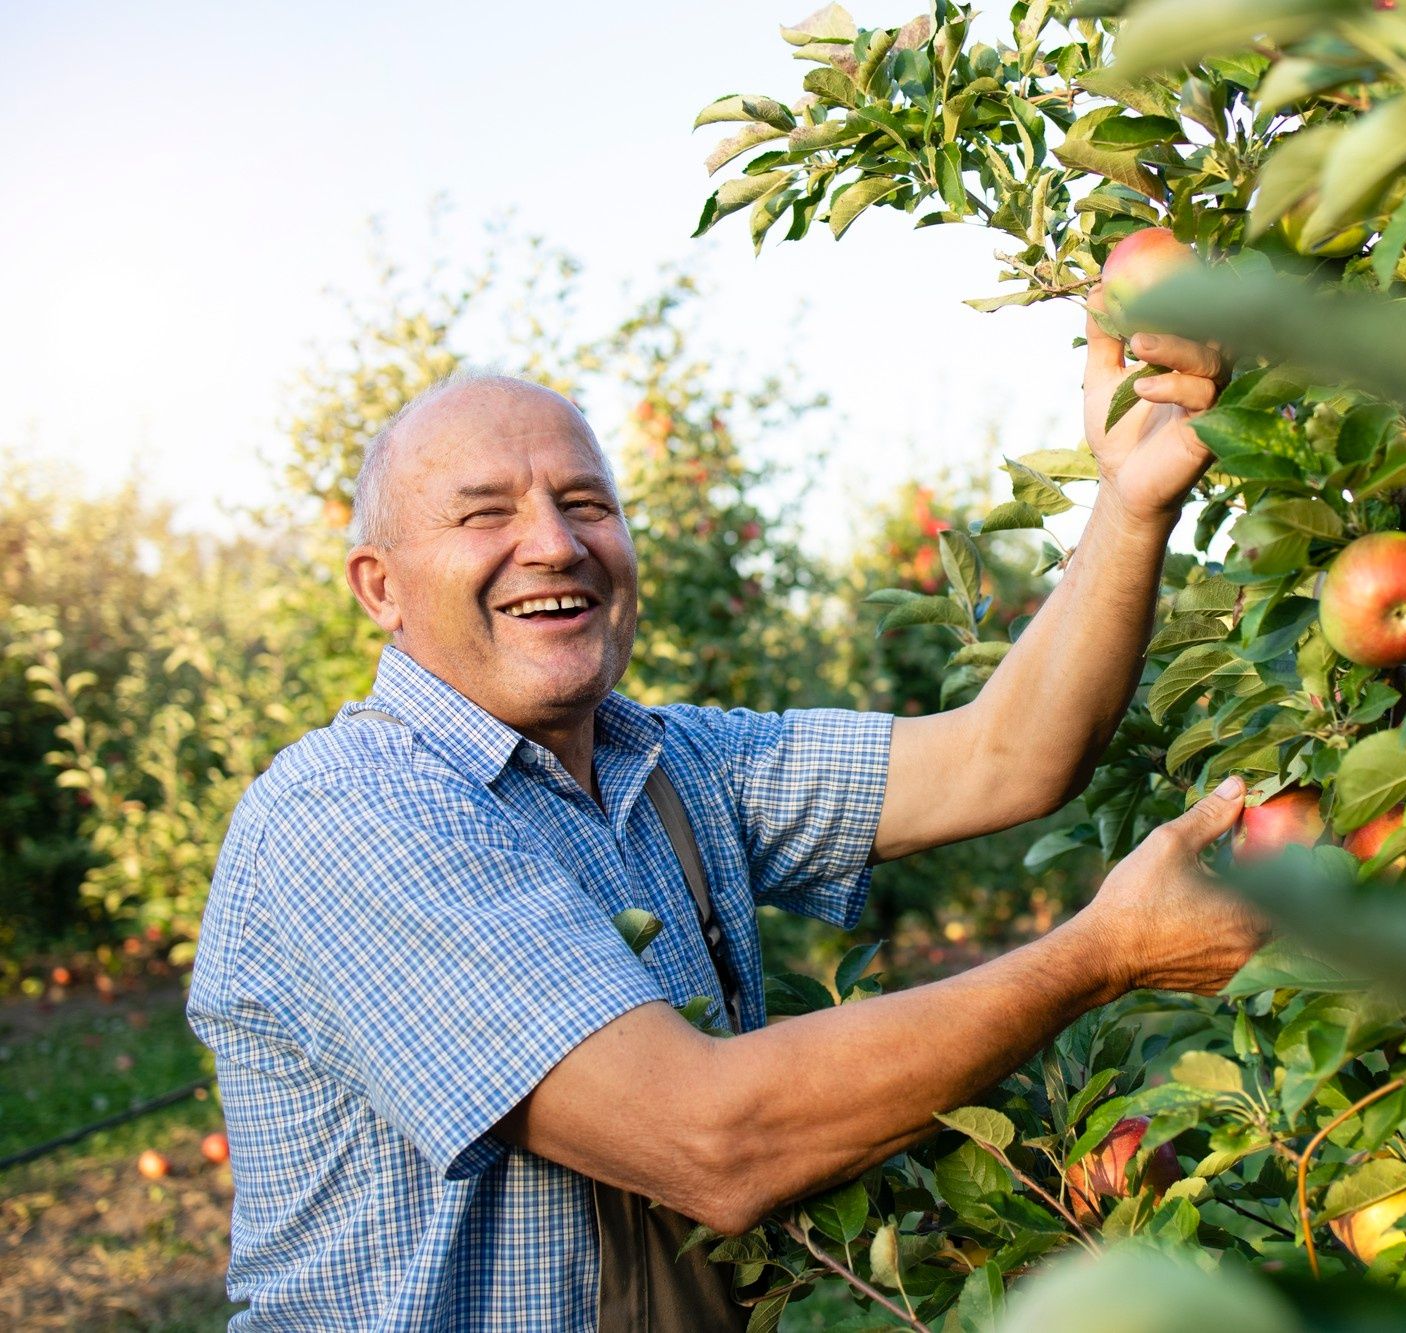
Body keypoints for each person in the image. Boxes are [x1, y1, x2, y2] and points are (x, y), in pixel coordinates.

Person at [188, 306, 1266, 1330]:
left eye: (587, 503)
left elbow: (1003, 757)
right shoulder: (350, 815)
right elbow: (711, 1136)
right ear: (379, 588)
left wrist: (1130, 504)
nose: (556, 545)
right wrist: (1103, 951)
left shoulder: (667, 762)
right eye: (485, 514)